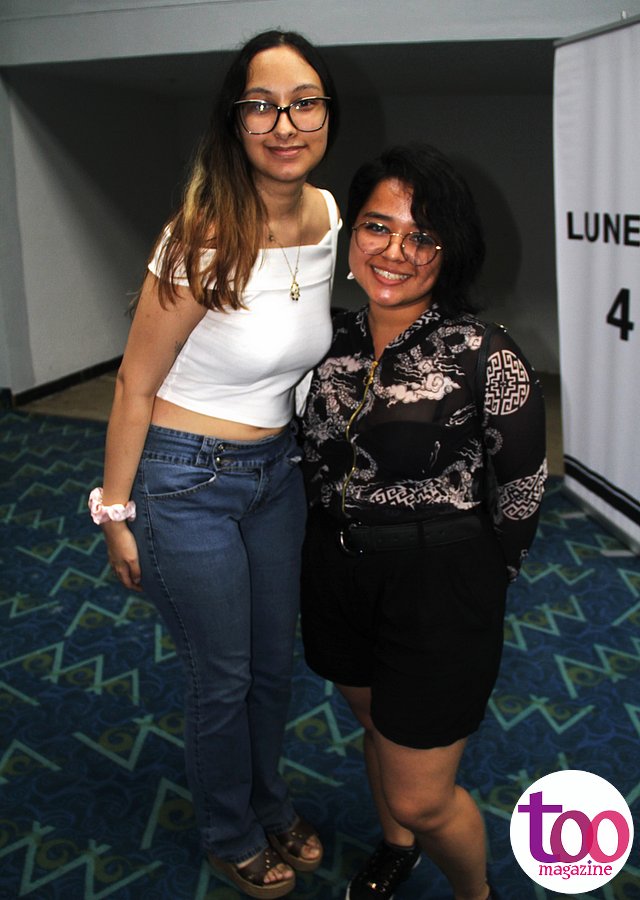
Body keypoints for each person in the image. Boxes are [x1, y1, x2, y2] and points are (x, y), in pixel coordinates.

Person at [88, 30, 341, 899]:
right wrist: (115, 514)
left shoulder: (328, 216)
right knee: (222, 676)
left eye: (303, 102)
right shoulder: (201, 237)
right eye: (261, 106)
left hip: (276, 475)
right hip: (182, 480)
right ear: (235, 122)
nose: (284, 124)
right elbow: (133, 383)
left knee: (272, 666)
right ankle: (230, 832)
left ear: (327, 114)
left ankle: (270, 802)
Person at [300, 144, 547, 900]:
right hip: (336, 572)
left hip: (440, 587)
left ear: (450, 251)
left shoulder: (485, 353)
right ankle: (397, 847)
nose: (395, 252)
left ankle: (475, 893)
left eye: (422, 236)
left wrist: (481, 579)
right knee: (377, 729)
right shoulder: (323, 340)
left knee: (422, 795)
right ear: (351, 235)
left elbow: (522, 490)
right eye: (378, 226)